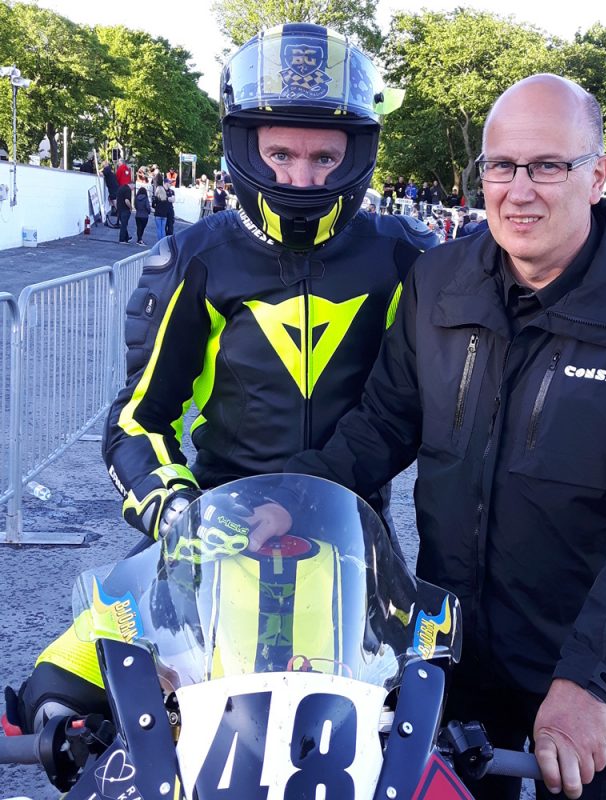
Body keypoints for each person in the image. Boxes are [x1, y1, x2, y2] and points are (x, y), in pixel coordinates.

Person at [285, 74, 606, 800]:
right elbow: (381, 425)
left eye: (548, 165)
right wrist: (288, 498)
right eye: (501, 166)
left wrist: (593, 680)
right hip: (447, 656)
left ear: (599, 176)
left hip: (577, 663)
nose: (519, 190)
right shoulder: (438, 281)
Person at [5, 23, 436, 738]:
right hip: (209, 532)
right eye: (282, 153)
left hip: (353, 547)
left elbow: (523, 267)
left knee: (406, 731)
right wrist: (173, 513)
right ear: (245, 148)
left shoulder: (406, 257)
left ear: (357, 154)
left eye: (326, 156)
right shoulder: (192, 259)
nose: (303, 177)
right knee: (48, 698)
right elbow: (137, 419)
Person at [101, 159, 119, 225]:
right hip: (114, 186)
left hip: (112, 187)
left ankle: (118, 210)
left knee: (114, 199)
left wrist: (100, 171)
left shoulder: (107, 169)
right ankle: (115, 209)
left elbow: (102, 173)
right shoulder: (109, 169)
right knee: (110, 198)